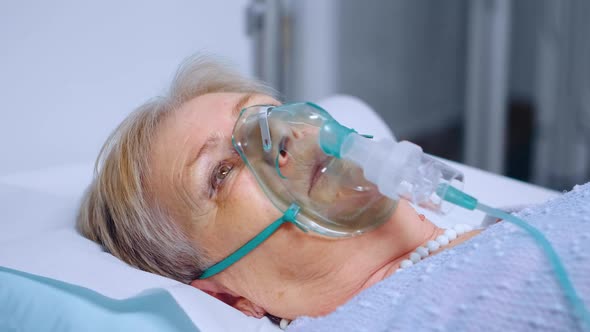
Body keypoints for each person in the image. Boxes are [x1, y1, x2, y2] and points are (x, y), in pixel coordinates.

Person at [77, 55, 589, 330]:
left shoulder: (517, 220)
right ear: (227, 294)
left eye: (268, 114)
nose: (285, 137)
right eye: (222, 172)